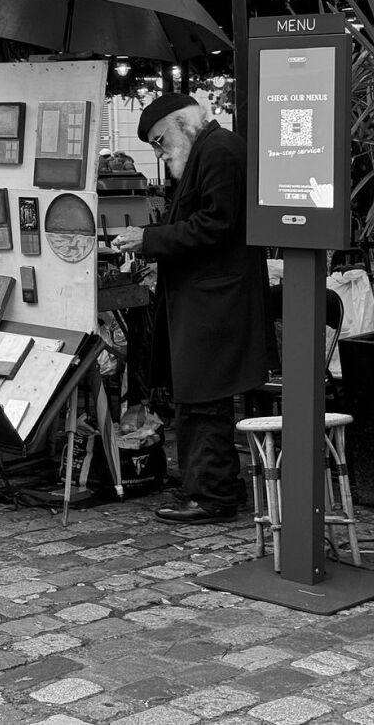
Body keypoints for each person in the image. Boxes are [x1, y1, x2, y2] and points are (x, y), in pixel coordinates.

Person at [112, 93, 274, 524]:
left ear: (182, 124)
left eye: (160, 140)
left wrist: (148, 240)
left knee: (203, 399)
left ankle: (212, 496)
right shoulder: (210, 150)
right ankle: (216, 486)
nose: (159, 151)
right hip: (209, 296)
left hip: (215, 300)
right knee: (201, 398)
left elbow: (215, 225)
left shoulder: (219, 151)